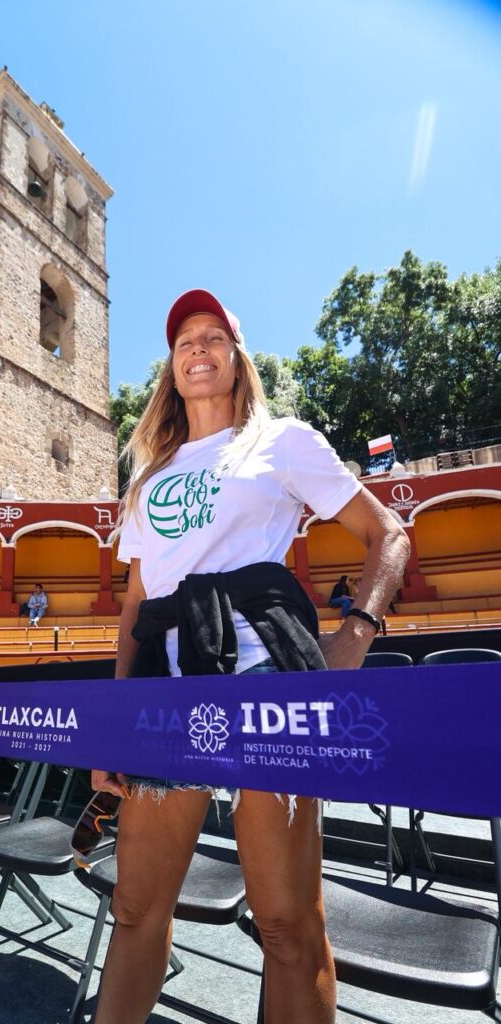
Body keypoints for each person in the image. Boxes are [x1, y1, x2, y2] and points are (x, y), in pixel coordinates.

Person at [91, 289, 410, 1024]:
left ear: (238, 361)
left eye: (213, 337)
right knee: (135, 910)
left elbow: (387, 532)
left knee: (286, 926)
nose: (197, 349)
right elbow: (136, 604)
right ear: (172, 370)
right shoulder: (148, 476)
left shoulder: (281, 440)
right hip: (163, 691)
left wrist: (354, 635)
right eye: (184, 342)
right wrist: (115, 721)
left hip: (264, 680)